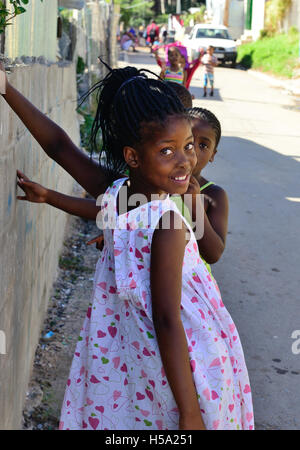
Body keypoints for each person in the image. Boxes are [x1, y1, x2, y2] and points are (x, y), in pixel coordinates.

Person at [9, 63, 254, 430]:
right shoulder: (151, 209)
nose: (187, 160)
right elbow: (59, 146)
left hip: (158, 354)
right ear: (133, 156)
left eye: (190, 147)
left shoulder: (129, 196)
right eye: (167, 151)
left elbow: (169, 316)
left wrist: (7, 89)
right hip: (155, 351)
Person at [186, 107, 228, 275]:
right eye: (187, 140)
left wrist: (194, 204)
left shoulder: (213, 195)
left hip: (192, 287)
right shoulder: (157, 184)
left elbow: (213, 254)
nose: (193, 149)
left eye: (203, 145)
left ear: (212, 155)